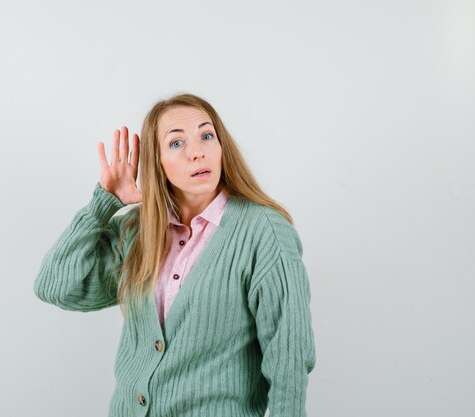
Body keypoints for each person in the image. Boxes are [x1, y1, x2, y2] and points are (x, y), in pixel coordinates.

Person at [33, 93, 316, 417]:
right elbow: (55, 287)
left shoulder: (264, 232)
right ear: (157, 163)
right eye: (177, 143)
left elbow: (288, 360)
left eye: (207, 136)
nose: (197, 152)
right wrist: (103, 204)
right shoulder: (137, 231)